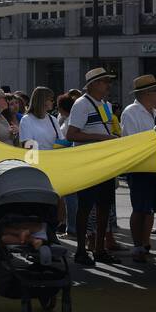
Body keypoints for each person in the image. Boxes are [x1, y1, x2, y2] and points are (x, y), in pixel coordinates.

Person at [66, 67, 120, 265]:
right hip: (88, 162)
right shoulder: (81, 104)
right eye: (106, 81)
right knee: (86, 206)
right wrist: (100, 137)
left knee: (104, 205)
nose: (109, 85)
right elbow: (71, 134)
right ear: (94, 84)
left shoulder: (104, 104)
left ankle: (99, 248)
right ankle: (81, 250)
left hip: (103, 161)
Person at [121, 75, 156, 265]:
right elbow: (133, 140)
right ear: (147, 93)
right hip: (140, 168)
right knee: (141, 209)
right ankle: (139, 246)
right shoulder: (131, 112)